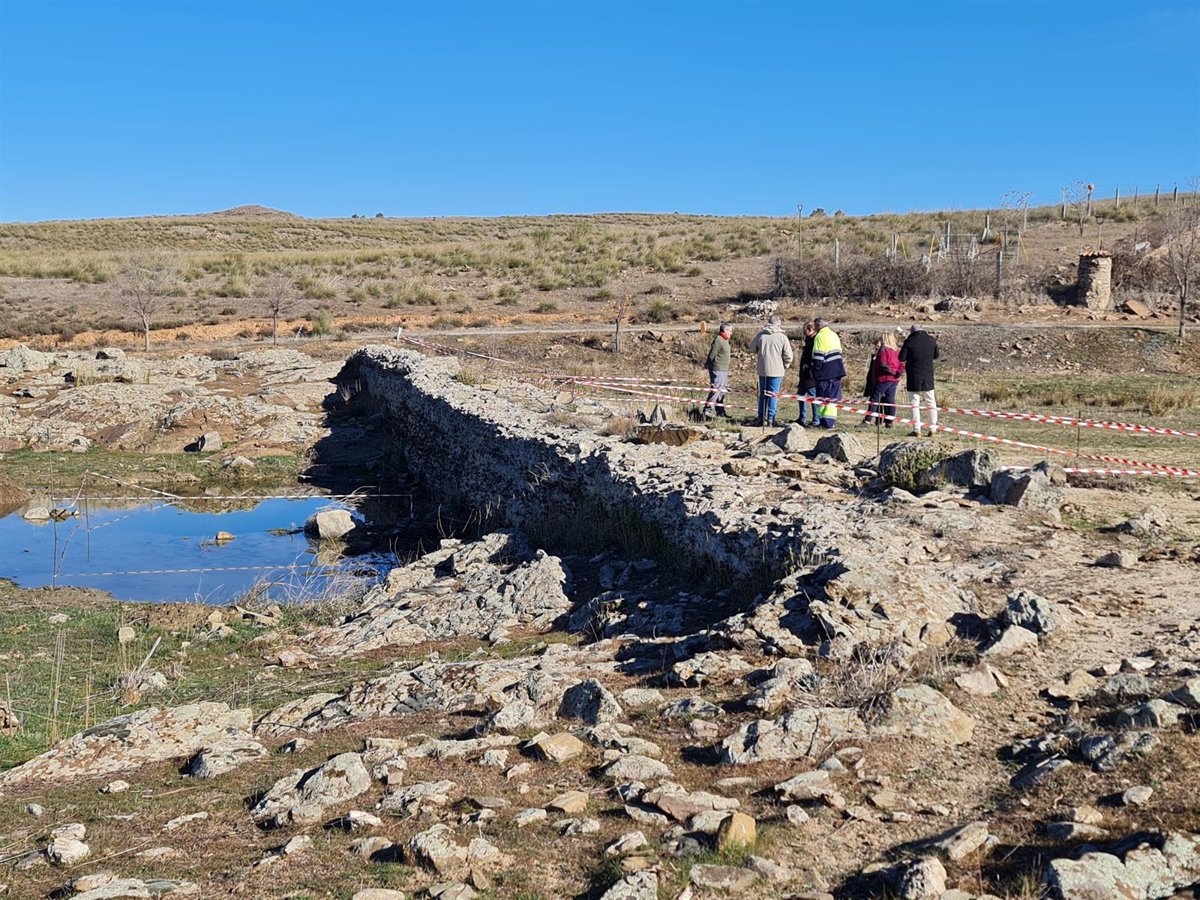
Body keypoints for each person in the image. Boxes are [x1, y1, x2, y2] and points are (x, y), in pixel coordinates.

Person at [750, 315, 793, 426]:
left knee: (763, 394)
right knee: (773, 395)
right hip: (777, 370)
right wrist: (786, 364)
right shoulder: (782, 337)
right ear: (778, 324)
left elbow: (752, 348)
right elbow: (789, 355)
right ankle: (771, 418)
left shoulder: (761, 335)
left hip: (762, 370)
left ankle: (760, 418)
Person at [899, 323, 940, 435]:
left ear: (912, 331)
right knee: (931, 403)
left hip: (913, 376)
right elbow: (936, 355)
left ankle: (917, 430)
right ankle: (933, 428)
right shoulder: (931, 340)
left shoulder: (910, 341)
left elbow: (901, 357)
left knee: (914, 404)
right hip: (928, 375)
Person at [810, 317, 846, 429]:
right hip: (837, 370)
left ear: (818, 325)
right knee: (833, 397)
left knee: (823, 396)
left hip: (825, 372)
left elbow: (818, 357)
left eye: (815, 326)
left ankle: (824, 422)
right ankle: (831, 421)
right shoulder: (834, 335)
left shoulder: (820, 336)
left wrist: (815, 371)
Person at [863, 332, 904, 426]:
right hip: (894, 380)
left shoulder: (884, 350)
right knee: (890, 400)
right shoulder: (897, 351)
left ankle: (867, 420)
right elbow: (902, 364)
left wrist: (893, 372)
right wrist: (898, 373)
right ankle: (889, 421)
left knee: (875, 398)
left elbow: (882, 364)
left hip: (883, 378)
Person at [703, 322, 732, 418]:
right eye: (730, 330)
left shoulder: (725, 340)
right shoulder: (718, 340)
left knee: (722, 391)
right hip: (718, 369)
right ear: (725, 330)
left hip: (724, 369)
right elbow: (712, 354)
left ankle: (720, 411)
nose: (731, 333)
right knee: (716, 390)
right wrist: (708, 364)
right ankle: (707, 410)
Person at [795, 320, 818, 426]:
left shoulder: (815, 340)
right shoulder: (808, 340)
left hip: (810, 374)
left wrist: (809, 365)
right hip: (804, 374)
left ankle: (816, 419)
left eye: (805, 330)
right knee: (800, 395)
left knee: (812, 397)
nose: (803, 333)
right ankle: (802, 417)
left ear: (810, 329)